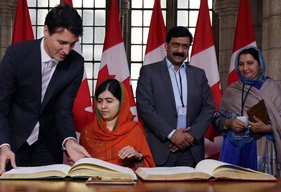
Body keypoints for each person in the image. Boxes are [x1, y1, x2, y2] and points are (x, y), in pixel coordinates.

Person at [0, 4, 90, 175]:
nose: (67, 51)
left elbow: (63, 109)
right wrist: (3, 146)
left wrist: (69, 141)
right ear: (46, 31)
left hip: (48, 140)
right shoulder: (17, 54)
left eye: (73, 44)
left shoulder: (76, 64)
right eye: (62, 42)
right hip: (12, 139)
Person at [136, 26, 215, 167]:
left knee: (193, 189)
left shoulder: (198, 74)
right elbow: (144, 107)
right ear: (167, 46)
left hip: (191, 149)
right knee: (159, 189)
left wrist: (191, 136)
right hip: (161, 148)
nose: (180, 50)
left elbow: (209, 108)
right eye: (176, 45)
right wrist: (172, 134)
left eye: (185, 46)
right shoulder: (149, 72)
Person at [213, 46, 281, 177]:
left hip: (261, 147)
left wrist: (266, 128)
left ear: (260, 65)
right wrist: (230, 122)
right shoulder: (232, 90)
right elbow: (217, 119)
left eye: (250, 63)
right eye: (241, 64)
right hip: (233, 150)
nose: (245, 68)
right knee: (231, 191)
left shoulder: (272, 88)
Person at [80, 78, 155, 170]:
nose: (103, 106)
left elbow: (147, 169)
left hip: (126, 183)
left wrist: (138, 157)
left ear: (122, 103)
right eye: (99, 101)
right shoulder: (87, 131)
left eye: (109, 101)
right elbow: (80, 166)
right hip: (93, 182)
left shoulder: (134, 130)